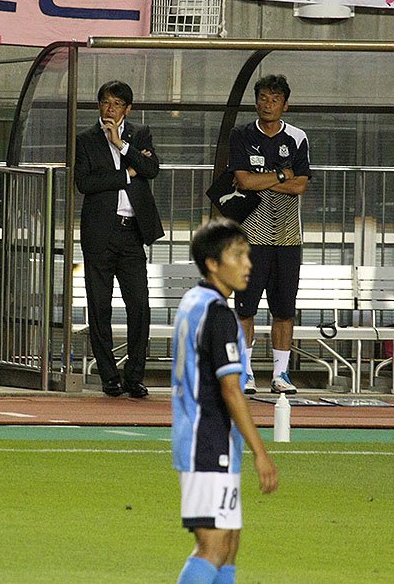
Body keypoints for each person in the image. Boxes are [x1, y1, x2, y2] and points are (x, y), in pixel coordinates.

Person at [172, 219, 278, 584]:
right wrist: (261, 452)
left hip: (209, 439)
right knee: (213, 548)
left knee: (229, 545)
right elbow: (232, 389)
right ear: (212, 263)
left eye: (247, 254)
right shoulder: (218, 314)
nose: (248, 264)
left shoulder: (194, 301)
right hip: (207, 441)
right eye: (237, 255)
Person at [76, 79, 164, 398]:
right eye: (105, 103)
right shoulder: (86, 140)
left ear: (128, 108)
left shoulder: (139, 135)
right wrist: (127, 174)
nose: (109, 109)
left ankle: (134, 376)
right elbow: (85, 182)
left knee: (138, 304)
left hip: (132, 232)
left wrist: (122, 146)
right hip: (100, 231)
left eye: (116, 104)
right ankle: (109, 376)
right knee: (99, 305)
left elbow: (151, 168)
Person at [227, 74, 311, 395]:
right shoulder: (241, 135)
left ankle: (280, 374)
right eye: (263, 97)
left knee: (284, 309)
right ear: (256, 101)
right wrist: (282, 175)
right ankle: (245, 372)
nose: (268, 104)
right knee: (245, 308)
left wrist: (264, 178)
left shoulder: (298, 137)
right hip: (251, 235)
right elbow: (244, 181)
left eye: (275, 99)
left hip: (288, 237)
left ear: (285, 105)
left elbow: (300, 186)